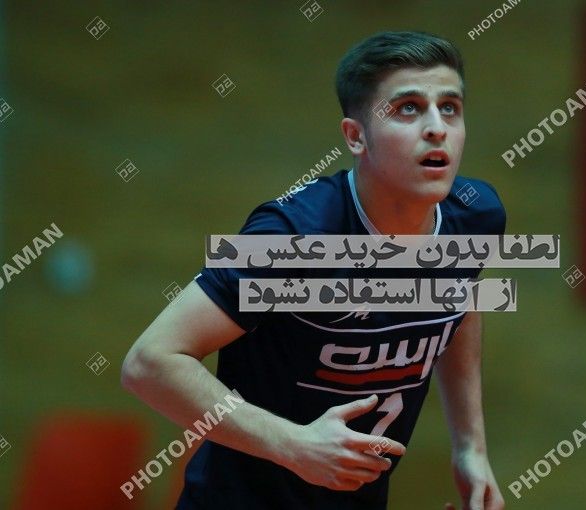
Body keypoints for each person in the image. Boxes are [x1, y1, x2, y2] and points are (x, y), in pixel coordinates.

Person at [121, 30, 506, 510]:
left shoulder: (475, 215)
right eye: (408, 108)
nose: (436, 127)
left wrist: (470, 446)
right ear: (356, 136)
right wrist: (295, 445)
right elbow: (150, 363)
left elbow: (459, 301)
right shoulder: (293, 237)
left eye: (449, 107)